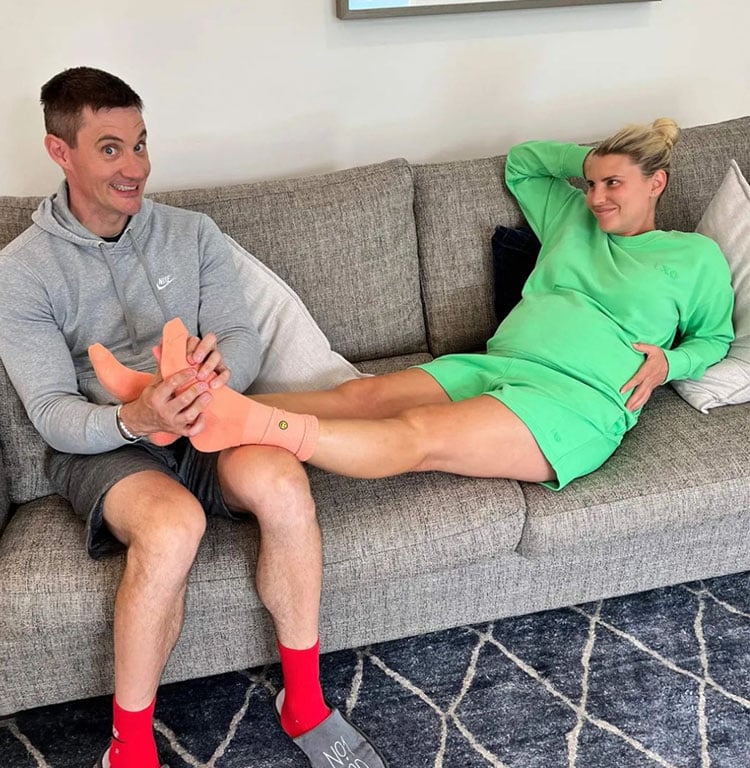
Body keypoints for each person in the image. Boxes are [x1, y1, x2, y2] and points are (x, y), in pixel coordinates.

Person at [0, 67, 388, 768]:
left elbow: (239, 335)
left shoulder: (193, 232)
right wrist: (135, 417)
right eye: (111, 148)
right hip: (107, 441)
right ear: (61, 152)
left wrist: (221, 368)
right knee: (174, 525)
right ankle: (130, 746)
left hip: (208, 419)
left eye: (141, 143)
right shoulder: (20, 272)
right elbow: (53, 413)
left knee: (283, 482)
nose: (136, 167)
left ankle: (303, 701)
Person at [93, 118, 734, 492]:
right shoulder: (572, 214)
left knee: (417, 434)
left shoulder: (693, 258)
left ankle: (240, 420)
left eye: (613, 183)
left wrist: (669, 364)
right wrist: (588, 158)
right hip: (501, 363)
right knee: (361, 394)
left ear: (657, 183)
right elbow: (523, 165)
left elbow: (716, 339)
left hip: (577, 400)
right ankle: (175, 401)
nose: (596, 197)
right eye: (591, 182)